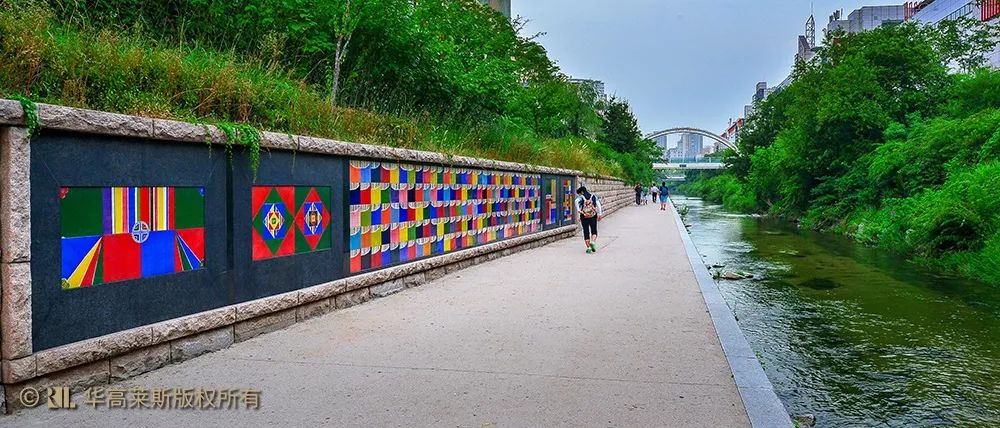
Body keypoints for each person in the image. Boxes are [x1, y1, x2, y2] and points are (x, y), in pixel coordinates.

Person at [575, 186, 603, 253]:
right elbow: (598, 205)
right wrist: (600, 214)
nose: (579, 195)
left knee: (586, 231)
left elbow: (576, 201)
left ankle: (589, 247)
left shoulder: (581, 197)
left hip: (584, 216)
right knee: (594, 230)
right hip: (593, 216)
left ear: (581, 192)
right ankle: (592, 242)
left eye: (579, 193)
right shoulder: (593, 196)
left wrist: (579, 210)